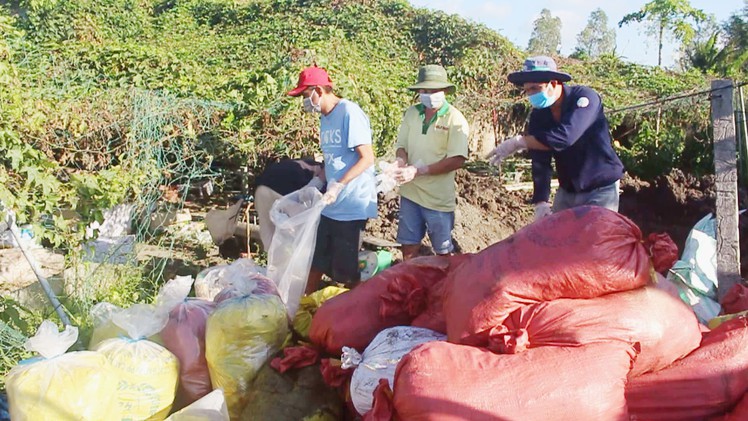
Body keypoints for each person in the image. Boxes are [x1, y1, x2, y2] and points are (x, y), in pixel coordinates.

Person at [487, 56, 624, 220]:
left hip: (600, 188)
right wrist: (541, 201)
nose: (530, 94)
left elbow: (565, 137)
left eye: (535, 88)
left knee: (594, 241)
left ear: (553, 83)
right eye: (528, 90)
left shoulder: (584, 99)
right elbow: (540, 160)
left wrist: (520, 142)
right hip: (568, 190)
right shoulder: (539, 115)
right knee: (557, 240)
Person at [287, 65, 377, 294]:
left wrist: (339, 185)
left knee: (345, 271)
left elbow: (366, 158)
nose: (305, 102)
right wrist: (316, 183)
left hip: (351, 204)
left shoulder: (349, 112)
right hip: (330, 204)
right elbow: (333, 159)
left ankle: (361, 308)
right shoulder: (325, 119)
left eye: (306, 96)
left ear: (318, 90)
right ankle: (305, 307)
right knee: (316, 261)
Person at [392, 64, 469, 260]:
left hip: (438, 199)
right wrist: (401, 161)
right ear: (419, 91)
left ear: (444, 91)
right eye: (425, 90)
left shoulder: (455, 119)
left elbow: (457, 159)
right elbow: (402, 146)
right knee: (408, 246)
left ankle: (444, 287)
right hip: (410, 193)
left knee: (443, 250)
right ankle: (410, 284)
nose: (429, 94)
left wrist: (419, 170)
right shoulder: (412, 113)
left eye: (435, 90)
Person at [254, 158, 324, 251]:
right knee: (304, 233)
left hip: (261, 188)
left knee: (269, 237)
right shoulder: (321, 171)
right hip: (284, 189)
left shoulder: (300, 163)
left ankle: (273, 262)